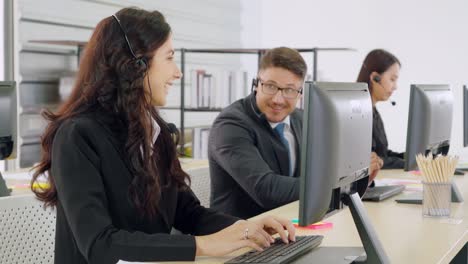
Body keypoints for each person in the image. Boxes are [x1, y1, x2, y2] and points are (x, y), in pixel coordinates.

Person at [30, 8, 295, 264]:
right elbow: (100, 245)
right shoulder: (77, 136)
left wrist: (246, 228)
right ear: (136, 65)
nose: (177, 72)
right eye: (169, 58)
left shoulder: (157, 132)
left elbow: (187, 212)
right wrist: (202, 246)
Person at [208, 47, 383, 219]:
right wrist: (334, 185)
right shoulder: (230, 125)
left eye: (289, 90)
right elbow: (266, 189)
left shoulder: (301, 120)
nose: (278, 99)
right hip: (241, 236)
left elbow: (321, 171)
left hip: (288, 224)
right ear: (256, 84)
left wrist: (354, 179)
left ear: (300, 93)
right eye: (270, 86)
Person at [357, 49, 404, 169]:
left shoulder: (372, 110)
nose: (395, 87)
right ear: (374, 78)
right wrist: (408, 163)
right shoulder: (358, 113)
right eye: (392, 79)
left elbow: (382, 154)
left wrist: (412, 158)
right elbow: (373, 160)